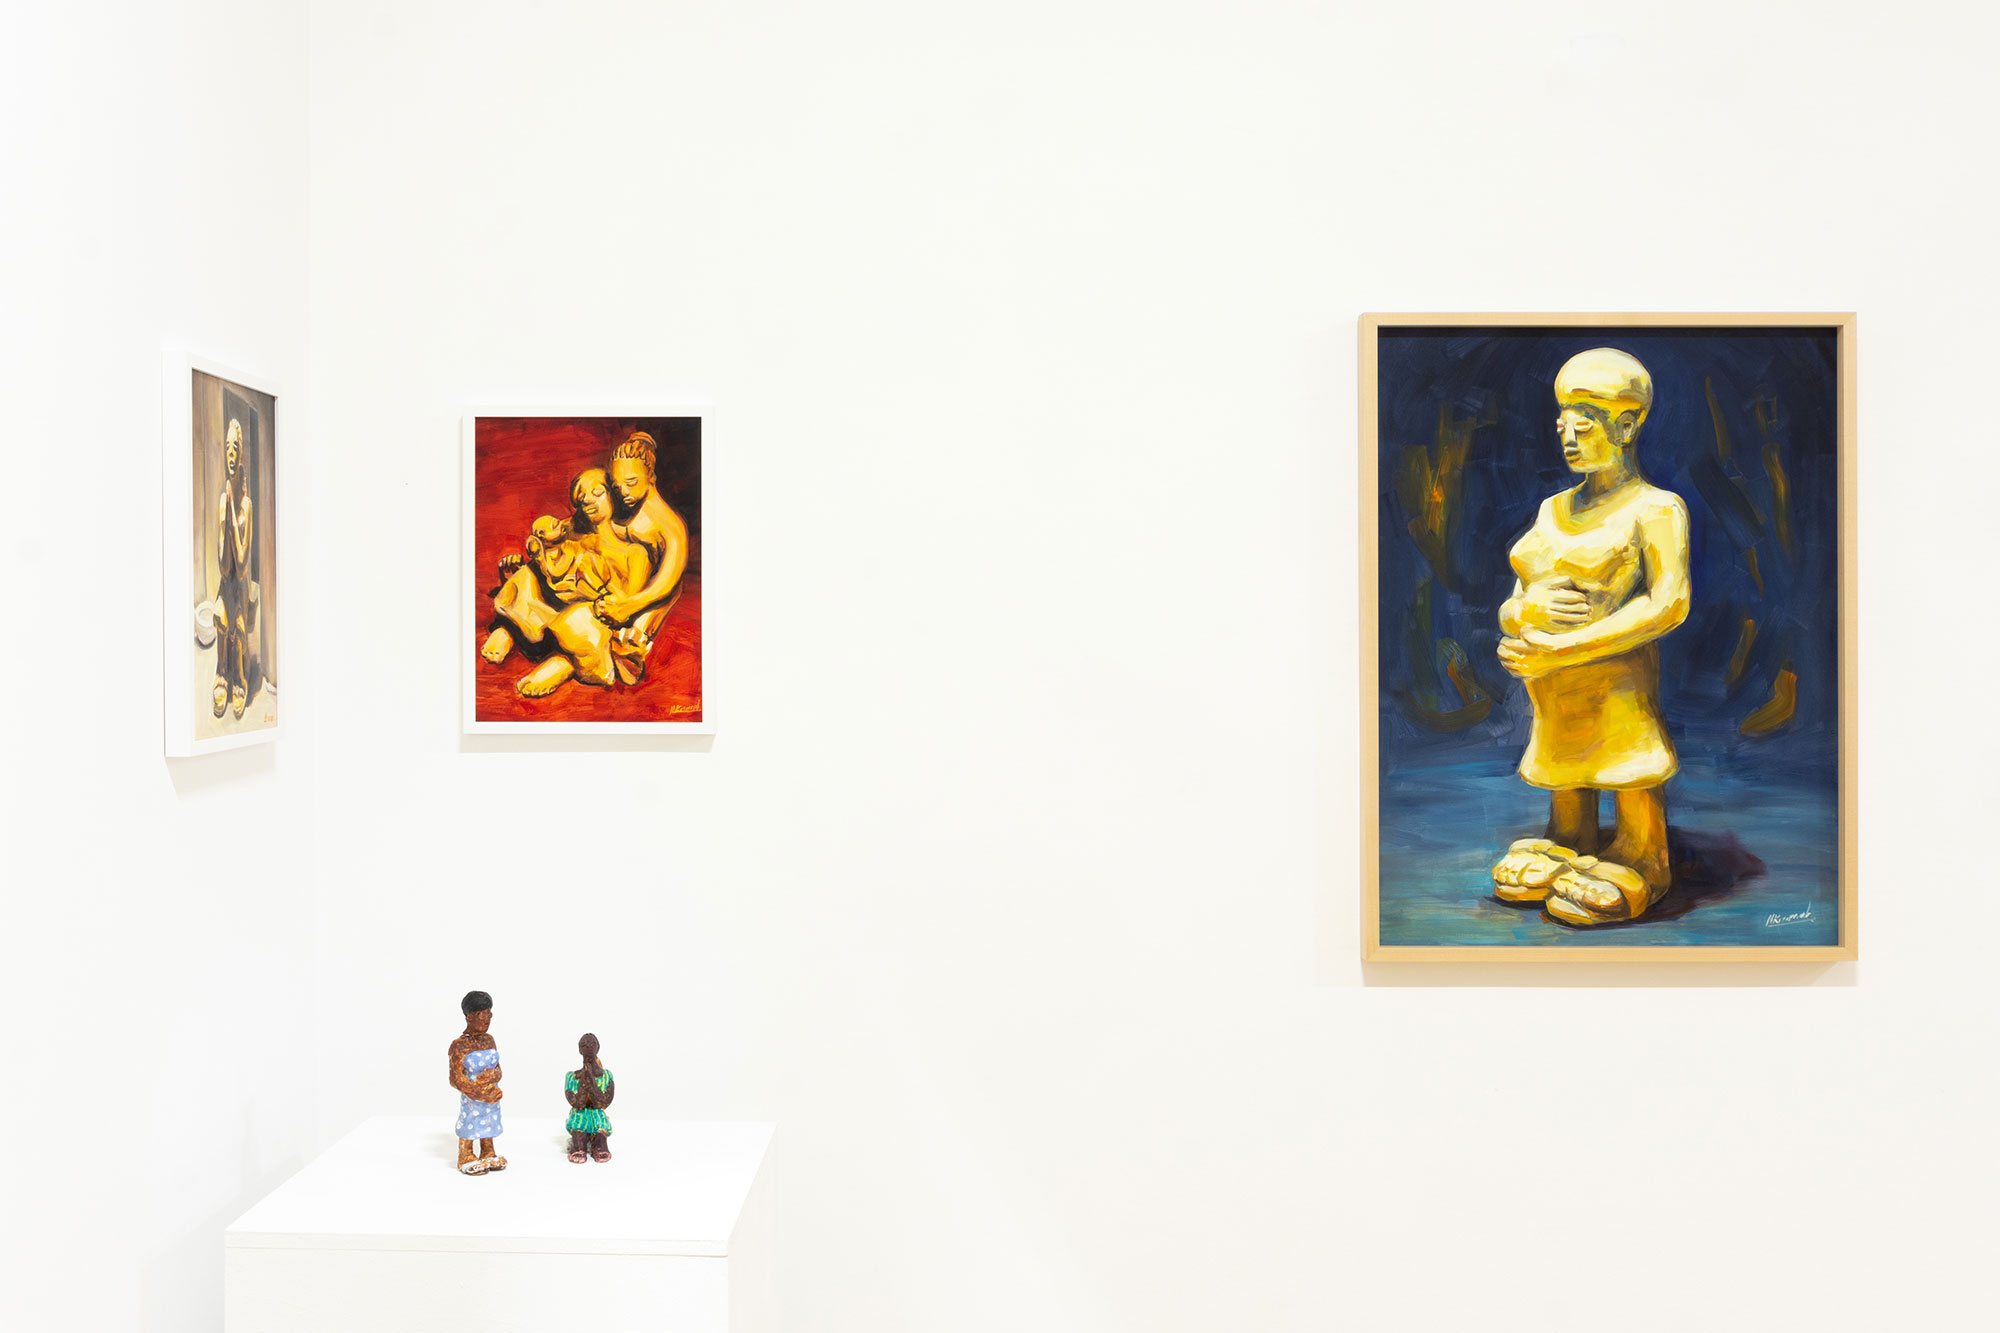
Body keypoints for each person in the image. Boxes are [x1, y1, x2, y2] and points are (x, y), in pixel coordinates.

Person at [1490, 348, 1691, 925]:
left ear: (1626, 427)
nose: (1569, 438)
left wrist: (1562, 648)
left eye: (1584, 425)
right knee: (1566, 761)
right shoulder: (1551, 510)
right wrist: (1518, 617)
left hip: (1615, 681)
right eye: (1563, 426)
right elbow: (1519, 598)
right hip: (1553, 691)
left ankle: (1645, 856)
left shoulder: (1655, 509)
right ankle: (1569, 839)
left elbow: (1668, 603)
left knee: (1626, 760)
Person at [593, 431, 690, 685]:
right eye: (617, 487)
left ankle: (633, 642)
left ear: (651, 476)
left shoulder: (671, 526)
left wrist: (629, 606)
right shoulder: (623, 511)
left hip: (650, 592)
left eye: (631, 482)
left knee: (668, 592)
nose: (623, 492)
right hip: (617, 582)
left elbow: (668, 580)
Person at [213, 418, 254, 719]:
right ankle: (220, 673)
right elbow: (223, 565)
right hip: (224, 586)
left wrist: (232, 516)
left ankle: (238, 678)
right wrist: (224, 517)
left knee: (238, 629)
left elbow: (240, 567)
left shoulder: (246, 507)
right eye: (227, 447)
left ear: (241, 457)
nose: (230, 453)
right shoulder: (222, 502)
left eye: (235, 448)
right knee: (219, 617)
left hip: (239, 589)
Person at [447, 990, 506, 1175]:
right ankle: (465, 1154)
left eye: (489, 1013)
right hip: (473, 1097)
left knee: (489, 1121)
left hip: (491, 1096)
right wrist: (480, 1094)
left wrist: (494, 1077)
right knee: (470, 1120)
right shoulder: (459, 1045)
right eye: (482, 1014)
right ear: (469, 1017)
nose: (488, 1018)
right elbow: (455, 1079)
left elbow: (498, 1069)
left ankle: (488, 1151)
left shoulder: (489, 1040)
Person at [563, 1033, 615, 1164]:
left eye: (592, 1044)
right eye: (584, 1044)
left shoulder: (607, 1075)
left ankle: (599, 1146)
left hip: (597, 1113)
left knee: (600, 1129)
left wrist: (591, 1078)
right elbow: (577, 1103)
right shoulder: (571, 1077)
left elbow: (602, 1102)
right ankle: (579, 1147)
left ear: (598, 1047)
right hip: (579, 1113)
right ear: (580, 1049)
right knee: (578, 1126)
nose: (588, 1046)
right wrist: (585, 1074)